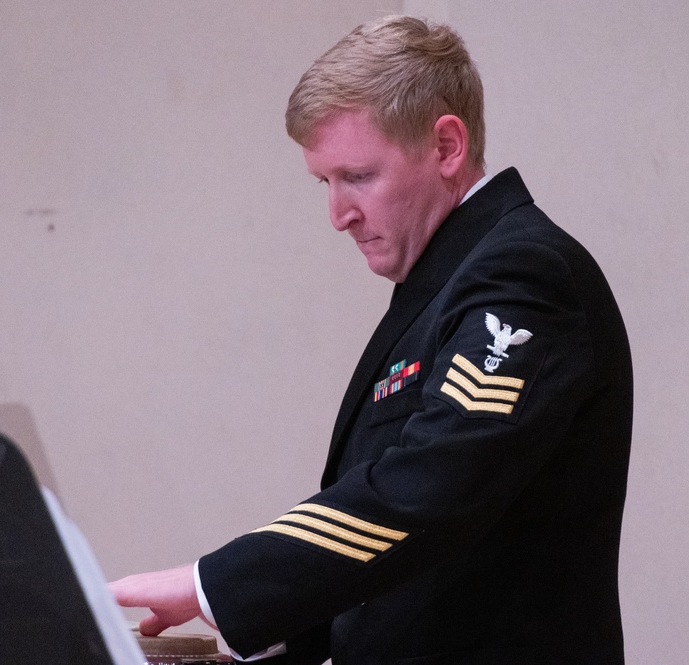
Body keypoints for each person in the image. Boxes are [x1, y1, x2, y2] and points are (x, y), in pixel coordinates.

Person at [111, 15, 632, 665]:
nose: (338, 216)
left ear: (445, 145)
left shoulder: (523, 273)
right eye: (323, 183)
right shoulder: (445, 287)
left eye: (356, 176)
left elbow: (433, 485)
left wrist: (211, 583)